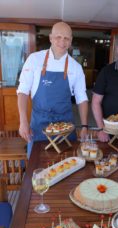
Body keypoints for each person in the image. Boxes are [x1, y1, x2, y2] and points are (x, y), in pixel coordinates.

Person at [17, 22, 88, 156]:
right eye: (58, 37)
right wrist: (23, 121)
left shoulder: (76, 67)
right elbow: (23, 92)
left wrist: (84, 126)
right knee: (37, 167)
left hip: (65, 126)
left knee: (67, 164)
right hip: (39, 125)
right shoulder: (34, 59)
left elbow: (82, 98)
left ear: (71, 40)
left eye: (66, 38)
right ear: (50, 38)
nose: (62, 42)